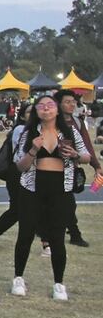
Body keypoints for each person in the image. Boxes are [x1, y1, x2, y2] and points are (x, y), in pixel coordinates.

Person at [10, 95, 90, 300]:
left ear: (57, 109)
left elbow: (86, 156)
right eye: (41, 106)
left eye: (50, 105)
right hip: (32, 189)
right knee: (25, 234)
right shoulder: (28, 132)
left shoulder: (70, 131)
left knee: (57, 237)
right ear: (36, 111)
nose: (46, 109)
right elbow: (20, 166)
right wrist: (33, 149)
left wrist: (74, 154)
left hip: (60, 189)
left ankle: (59, 284)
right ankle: (18, 278)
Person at [0, 102, 32, 253]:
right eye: (29, 112)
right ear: (22, 116)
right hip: (17, 172)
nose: (33, 115)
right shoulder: (20, 129)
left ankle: (46, 243)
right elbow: (22, 154)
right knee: (16, 209)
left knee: (36, 208)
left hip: (33, 173)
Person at [55, 89, 101, 248]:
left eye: (73, 102)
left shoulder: (77, 122)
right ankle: (73, 234)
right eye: (67, 102)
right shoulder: (50, 121)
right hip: (50, 169)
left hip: (70, 168)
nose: (72, 105)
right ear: (58, 104)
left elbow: (87, 146)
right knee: (64, 203)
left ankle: (71, 233)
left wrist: (96, 166)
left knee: (67, 203)